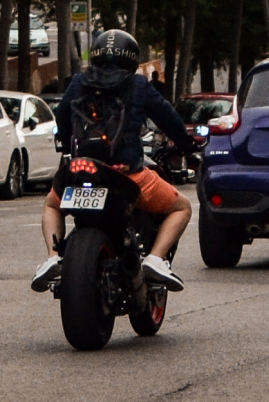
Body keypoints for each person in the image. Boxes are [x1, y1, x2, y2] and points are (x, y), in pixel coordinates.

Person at [30, 28, 197, 294]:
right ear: (131, 58)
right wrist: (187, 145)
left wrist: (66, 141)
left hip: (81, 171)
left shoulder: (79, 81)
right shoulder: (139, 84)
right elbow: (168, 119)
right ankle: (155, 260)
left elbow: (62, 117)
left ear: (95, 55)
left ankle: (53, 257)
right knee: (182, 207)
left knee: (52, 203)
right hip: (127, 176)